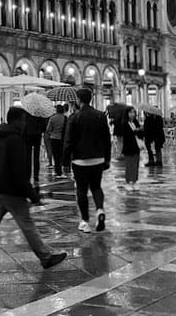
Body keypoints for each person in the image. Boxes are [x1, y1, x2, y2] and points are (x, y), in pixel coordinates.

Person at [0, 107, 67, 277]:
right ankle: (45, 257)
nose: (24, 124)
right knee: (27, 225)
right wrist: (32, 195)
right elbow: (19, 171)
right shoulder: (15, 140)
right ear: (16, 121)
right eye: (23, 120)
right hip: (12, 191)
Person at [63, 88, 111, 233]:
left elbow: (68, 141)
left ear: (78, 100)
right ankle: (100, 209)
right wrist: (107, 159)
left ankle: (85, 221)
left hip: (80, 160)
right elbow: (107, 139)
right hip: (98, 159)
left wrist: (65, 162)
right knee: (96, 187)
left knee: (81, 190)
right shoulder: (100, 116)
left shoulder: (74, 118)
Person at [120, 106, 142, 190]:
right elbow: (126, 135)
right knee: (129, 165)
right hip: (129, 147)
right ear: (127, 114)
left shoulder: (136, 122)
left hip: (136, 146)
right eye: (130, 112)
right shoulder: (125, 124)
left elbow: (140, 134)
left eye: (133, 112)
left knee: (136, 165)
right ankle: (129, 181)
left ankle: (135, 181)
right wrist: (135, 131)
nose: (132, 114)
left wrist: (139, 130)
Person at [23, 112, 46, 190]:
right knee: (36, 157)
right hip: (37, 135)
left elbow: (24, 125)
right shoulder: (39, 113)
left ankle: (28, 175)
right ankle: (36, 176)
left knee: (28, 157)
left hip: (28, 136)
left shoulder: (26, 113)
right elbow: (44, 126)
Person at [45, 105, 67, 177]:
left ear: (56, 110)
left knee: (55, 155)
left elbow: (48, 129)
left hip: (54, 138)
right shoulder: (65, 118)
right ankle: (62, 170)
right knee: (61, 155)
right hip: (63, 139)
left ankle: (57, 171)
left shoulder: (52, 118)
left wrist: (52, 133)